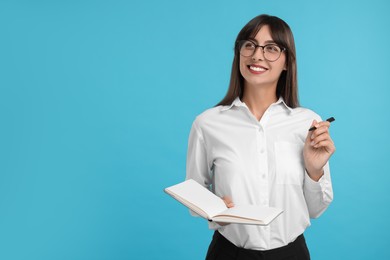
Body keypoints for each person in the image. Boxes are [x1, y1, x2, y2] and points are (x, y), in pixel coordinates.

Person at [185, 14, 335, 260]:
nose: (257, 55)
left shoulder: (307, 123)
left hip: (291, 253)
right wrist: (213, 207)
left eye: (271, 48)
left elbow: (316, 210)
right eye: (249, 45)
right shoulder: (207, 123)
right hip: (228, 253)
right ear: (239, 54)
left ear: (287, 62)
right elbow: (194, 191)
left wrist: (314, 171)